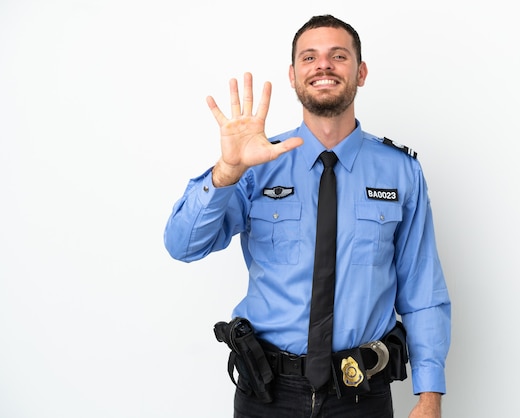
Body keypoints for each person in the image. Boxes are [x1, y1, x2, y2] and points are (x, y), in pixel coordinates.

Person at [164, 14, 451, 418]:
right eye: (309, 57)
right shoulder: (257, 164)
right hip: (266, 394)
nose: (323, 65)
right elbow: (182, 245)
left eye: (338, 56)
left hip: (360, 396)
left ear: (361, 72)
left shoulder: (401, 172)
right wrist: (227, 171)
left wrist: (429, 395)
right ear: (293, 75)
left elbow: (423, 291)